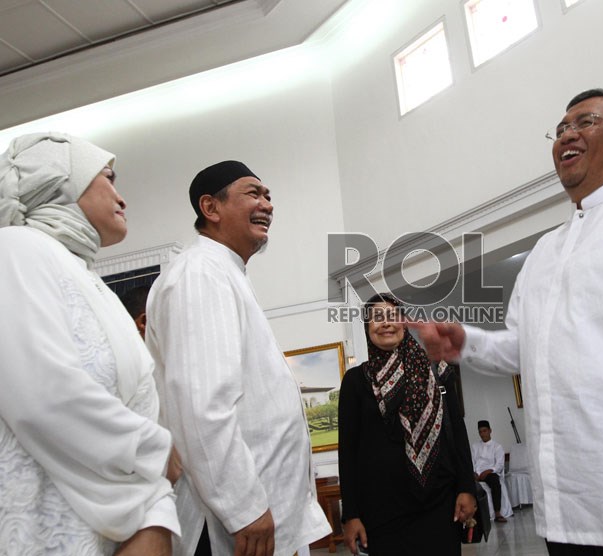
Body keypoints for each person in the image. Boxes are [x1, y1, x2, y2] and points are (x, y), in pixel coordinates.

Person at [411, 88, 603, 555]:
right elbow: (524, 348)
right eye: (561, 128)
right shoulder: (544, 251)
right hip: (563, 510)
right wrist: (466, 342)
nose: (568, 134)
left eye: (585, 122)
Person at [0, 132, 180, 554]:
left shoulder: (83, 275)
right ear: (62, 183)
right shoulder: (15, 249)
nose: (122, 198)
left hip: (111, 522)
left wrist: (152, 510)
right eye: (109, 178)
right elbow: (41, 391)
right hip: (47, 528)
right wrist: (155, 448)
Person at [145, 161, 330, 556]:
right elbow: (202, 407)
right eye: (253, 193)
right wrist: (244, 507)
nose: (267, 204)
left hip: (255, 519)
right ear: (211, 208)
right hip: (232, 525)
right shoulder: (200, 274)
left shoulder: (225, 273)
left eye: (268, 196)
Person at [338, 293, 477, 556]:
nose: (386, 324)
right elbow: (348, 451)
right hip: (382, 513)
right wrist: (351, 515)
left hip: (439, 504)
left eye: (393, 317)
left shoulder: (437, 371)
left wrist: (466, 488)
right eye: (377, 318)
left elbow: (457, 433)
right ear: (367, 329)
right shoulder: (356, 381)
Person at [471, 420, 507, 522]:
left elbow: (499, 465)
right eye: (480, 432)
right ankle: (472, 516)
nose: (482, 434)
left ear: (490, 431)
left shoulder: (497, 446)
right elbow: (472, 462)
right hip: (476, 474)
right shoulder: (475, 446)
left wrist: (487, 472)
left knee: (495, 482)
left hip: (490, 473)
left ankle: (497, 513)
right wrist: (474, 473)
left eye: (484, 431)